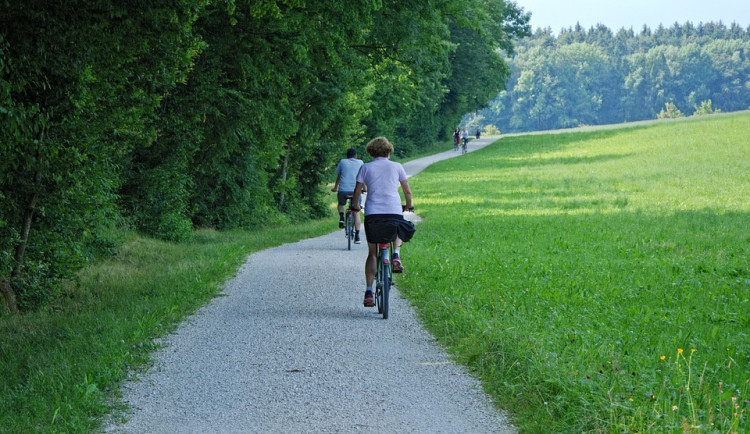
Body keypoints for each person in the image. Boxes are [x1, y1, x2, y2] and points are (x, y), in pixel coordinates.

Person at [351, 137, 415, 307]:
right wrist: (409, 206)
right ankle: (396, 256)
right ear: (389, 150)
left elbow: (357, 192)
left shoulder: (365, 167)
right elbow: (407, 191)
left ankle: (369, 291)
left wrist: (355, 205)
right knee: (398, 227)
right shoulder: (397, 167)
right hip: (393, 209)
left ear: (370, 151)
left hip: (373, 213)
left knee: (372, 253)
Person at [331, 148, 364, 243]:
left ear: (347, 155)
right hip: (356, 191)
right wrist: (364, 188)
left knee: (341, 204)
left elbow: (339, 176)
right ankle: (357, 236)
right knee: (356, 211)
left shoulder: (342, 162)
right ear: (356, 155)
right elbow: (362, 178)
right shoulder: (360, 162)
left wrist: (335, 187)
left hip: (343, 190)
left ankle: (341, 218)